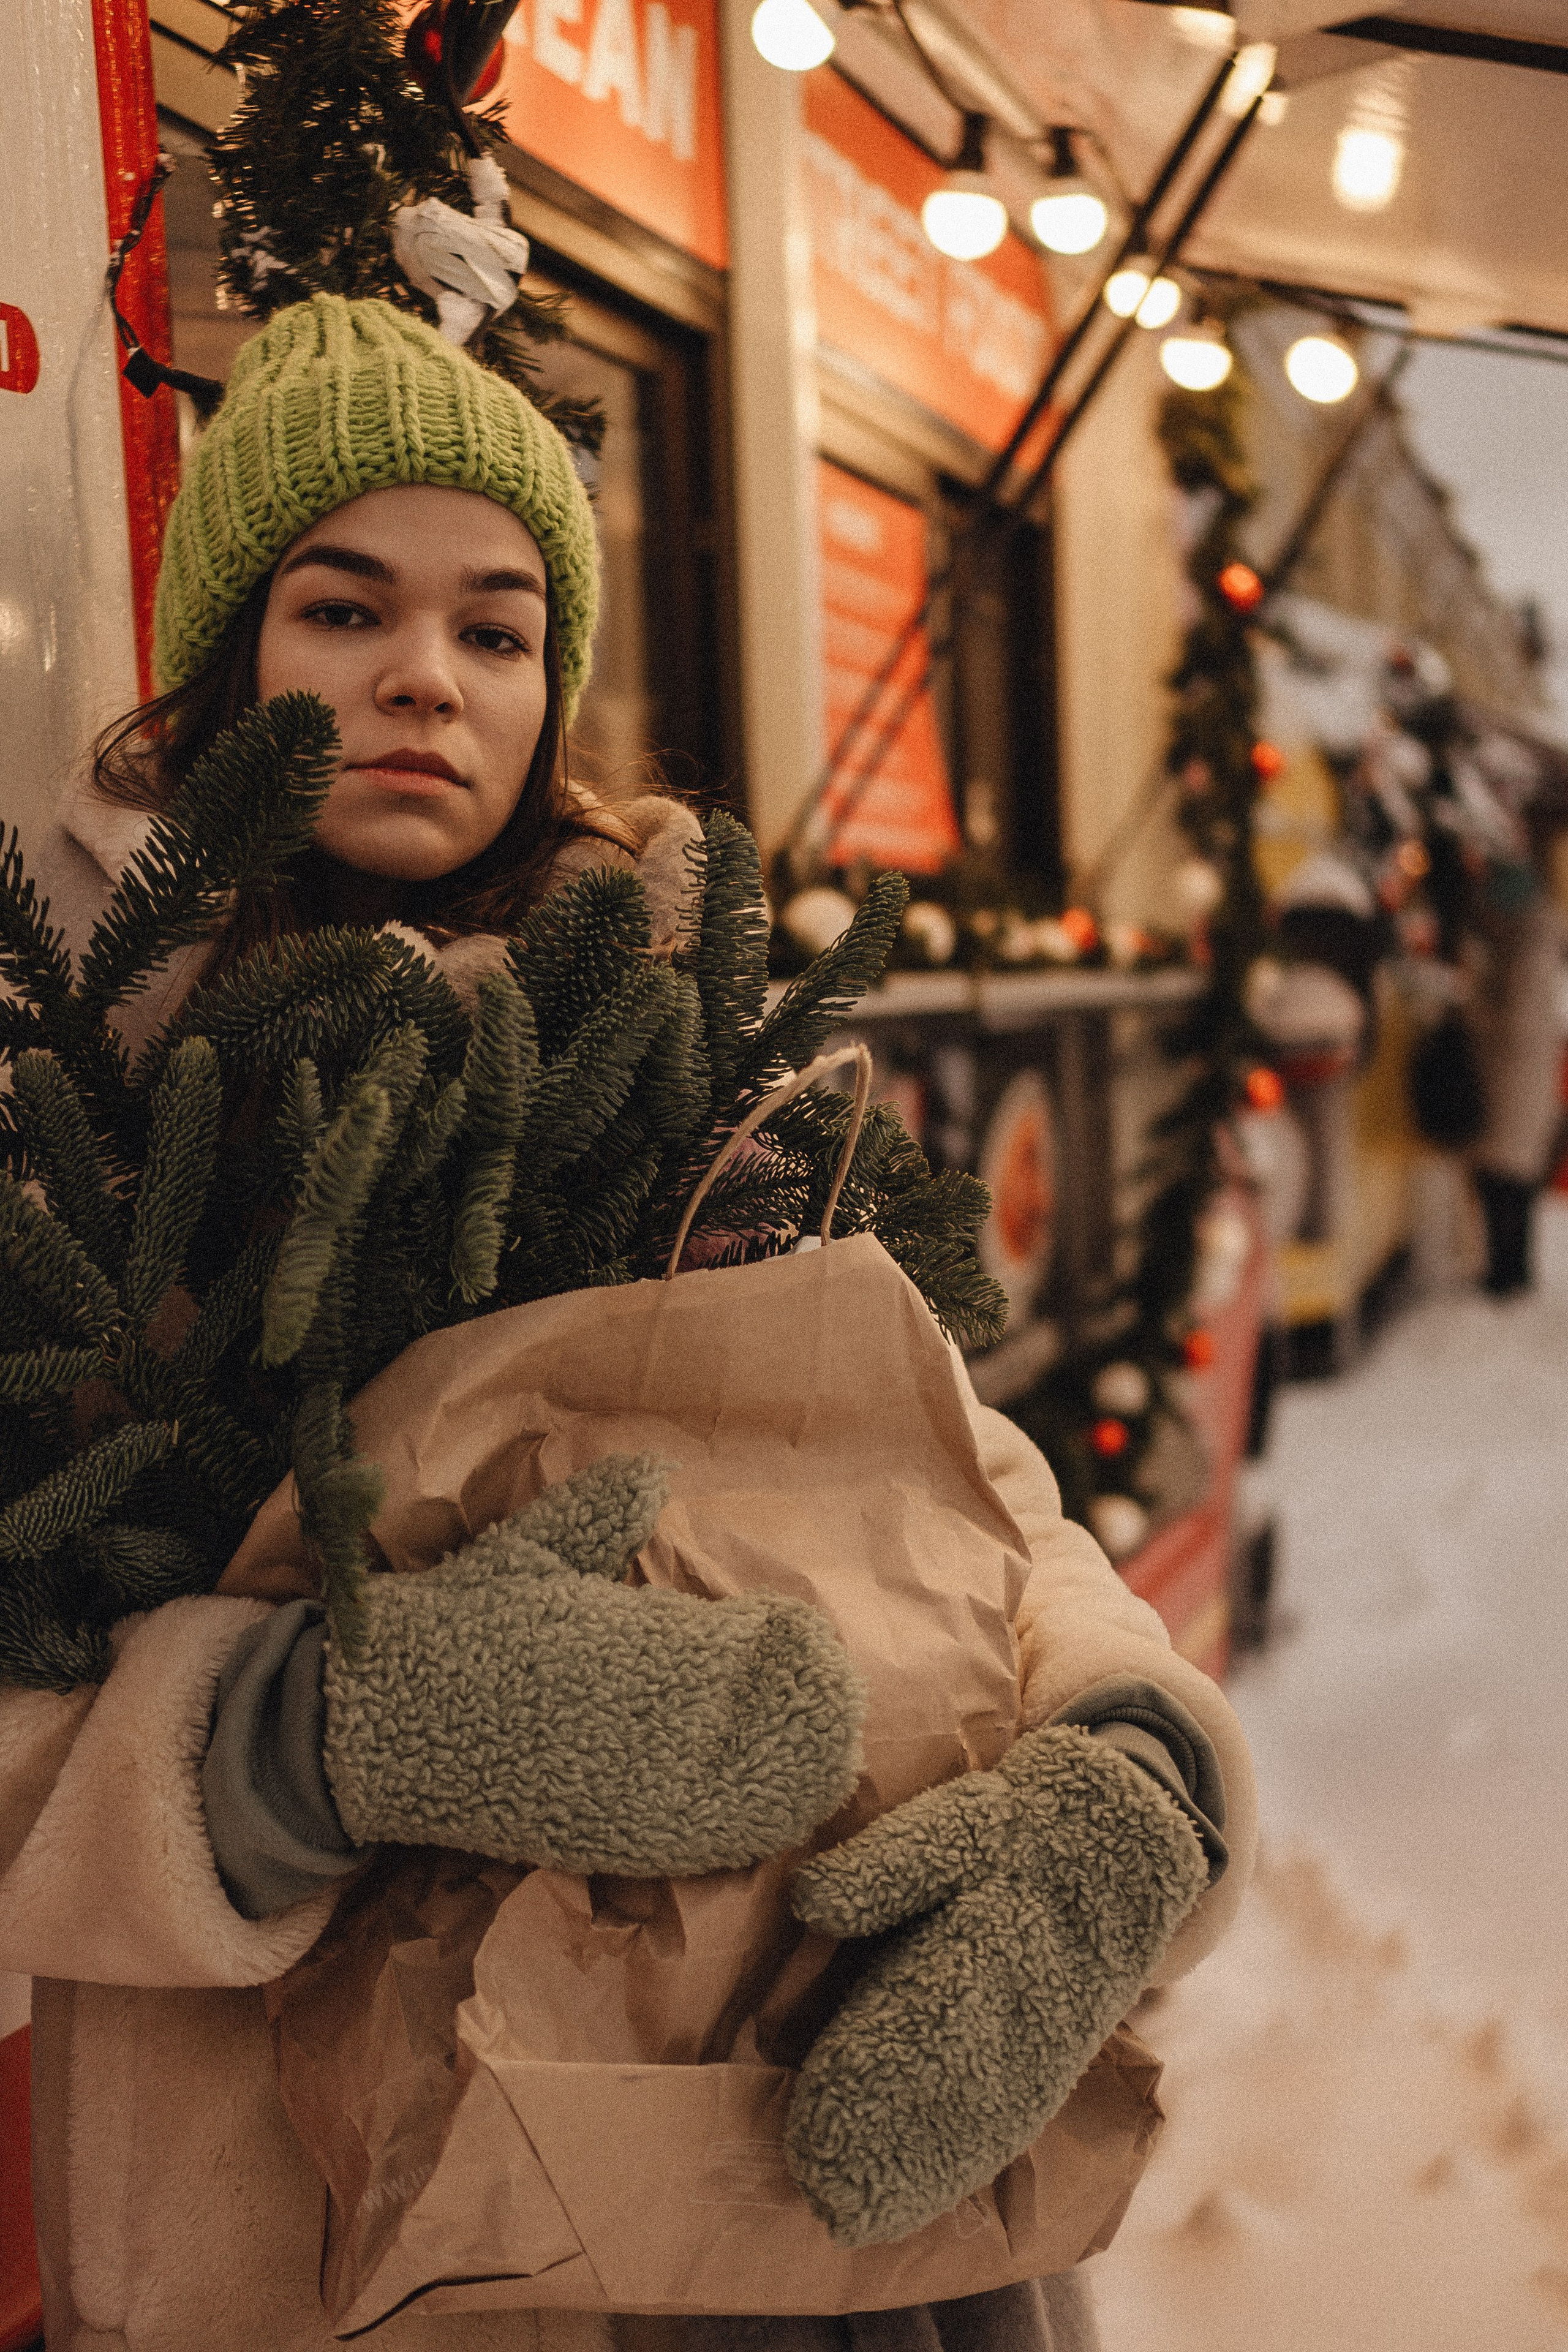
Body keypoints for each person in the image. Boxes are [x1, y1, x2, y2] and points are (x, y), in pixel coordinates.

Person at [0, 295, 1255, 2352]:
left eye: (498, 633)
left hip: (797, 2197)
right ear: (220, 663)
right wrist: (320, 1733)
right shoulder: (80, 1104)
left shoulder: (705, 1078)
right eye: (342, 611)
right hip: (307, 2249)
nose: (425, 678)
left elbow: (964, 1498)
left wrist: (1137, 1776)